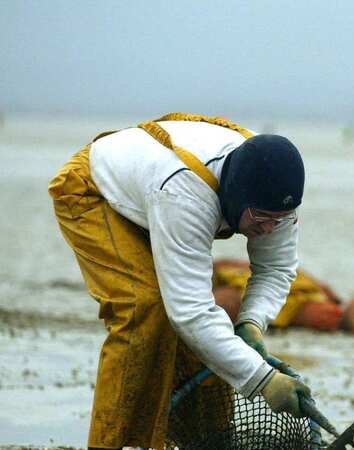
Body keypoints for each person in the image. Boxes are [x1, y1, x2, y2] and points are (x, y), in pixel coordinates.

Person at [48, 112, 311, 450]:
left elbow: (275, 269)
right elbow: (190, 313)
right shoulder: (185, 194)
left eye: (280, 220)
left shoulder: (275, 198)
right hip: (92, 191)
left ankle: (209, 442)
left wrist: (251, 324)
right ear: (235, 195)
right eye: (261, 218)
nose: (269, 229)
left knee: (207, 337)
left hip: (151, 193)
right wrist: (263, 381)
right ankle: (111, 444)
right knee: (144, 308)